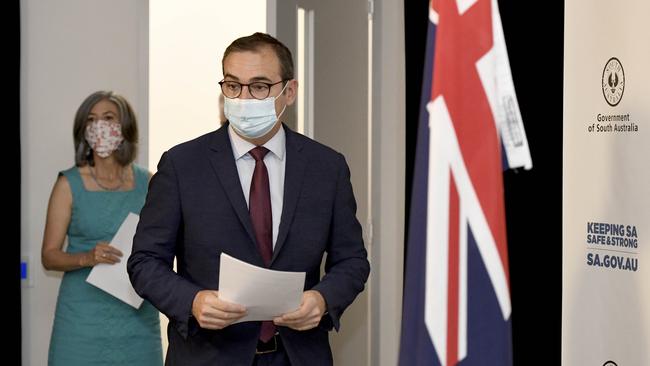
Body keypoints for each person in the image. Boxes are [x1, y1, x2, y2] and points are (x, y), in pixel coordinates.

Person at [128, 32, 370, 366]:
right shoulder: (182, 165)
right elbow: (144, 261)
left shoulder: (326, 167)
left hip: (297, 355)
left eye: (258, 86)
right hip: (208, 356)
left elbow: (353, 260)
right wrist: (193, 301)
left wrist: (323, 299)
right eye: (232, 85)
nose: (244, 98)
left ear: (289, 92)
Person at [41, 90, 163, 366]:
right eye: (92, 120)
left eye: (108, 118)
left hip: (138, 321)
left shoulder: (150, 182)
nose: (100, 126)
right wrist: (86, 257)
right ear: (84, 131)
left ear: (125, 127)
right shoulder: (68, 184)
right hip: (81, 322)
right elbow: (48, 256)